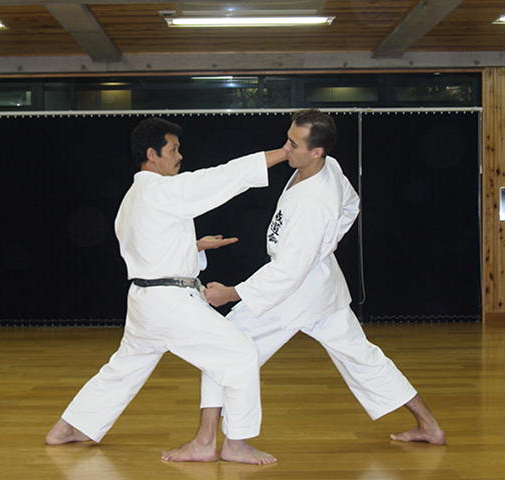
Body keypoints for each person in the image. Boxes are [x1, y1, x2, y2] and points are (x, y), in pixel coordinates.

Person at [162, 109, 445, 463]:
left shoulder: (315, 201)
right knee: (363, 357)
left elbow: (288, 272)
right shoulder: (330, 167)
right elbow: (352, 205)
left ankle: (208, 442)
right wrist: (324, 247)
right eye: (287, 139)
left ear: (317, 152)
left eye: (294, 145)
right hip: (320, 286)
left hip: (291, 294)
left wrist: (232, 292)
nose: (286, 149)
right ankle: (429, 426)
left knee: (225, 350)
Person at [46, 117, 289, 464]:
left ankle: (68, 427)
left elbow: (149, 247)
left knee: (125, 368)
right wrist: (281, 153)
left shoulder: (133, 199)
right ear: (152, 154)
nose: (179, 156)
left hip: (145, 300)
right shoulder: (162, 191)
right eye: (173, 150)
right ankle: (233, 444)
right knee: (241, 355)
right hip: (168, 302)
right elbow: (224, 176)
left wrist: (194, 245)